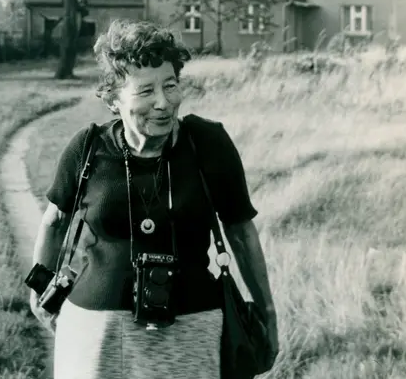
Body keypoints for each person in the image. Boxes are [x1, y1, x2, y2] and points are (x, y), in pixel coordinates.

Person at [30, 20, 279, 379]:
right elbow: (54, 222)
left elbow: (240, 232)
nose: (163, 103)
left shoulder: (208, 145)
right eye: (146, 91)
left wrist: (267, 312)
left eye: (171, 85)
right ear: (114, 99)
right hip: (95, 331)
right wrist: (40, 290)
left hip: (193, 328)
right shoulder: (87, 149)